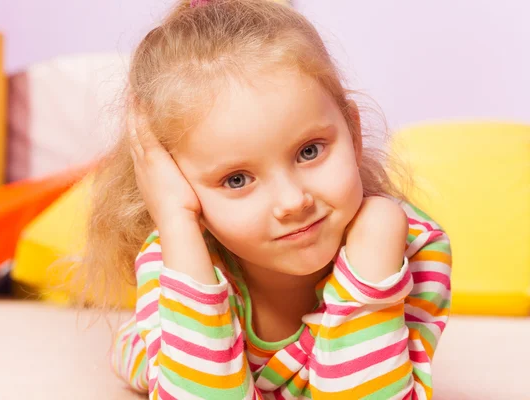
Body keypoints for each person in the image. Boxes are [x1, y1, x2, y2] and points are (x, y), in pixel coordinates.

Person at [84, 0, 452, 398]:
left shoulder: (414, 247)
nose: (293, 201)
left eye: (309, 151)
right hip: (167, 344)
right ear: (175, 187)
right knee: (143, 356)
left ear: (353, 132)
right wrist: (175, 221)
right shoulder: (177, 257)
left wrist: (375, 246)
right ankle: (141, 344)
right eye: (237, 179)